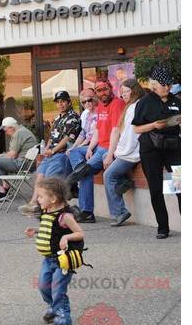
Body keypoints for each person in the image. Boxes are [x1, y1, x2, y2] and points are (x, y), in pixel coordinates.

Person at [24, 177, 84, 325]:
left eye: (40, 196)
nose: (38, 199)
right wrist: (36, 230)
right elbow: (50, 230)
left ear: (53, 199)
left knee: (58, 289)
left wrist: (66, 237)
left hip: (62, 260)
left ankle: (64, 317)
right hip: (48, 259)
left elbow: (79, 233)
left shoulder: (65, 216)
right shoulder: (47, 211)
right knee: (44, 287)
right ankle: (53, 307)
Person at [66, 80, 126, 223]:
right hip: (99, 147)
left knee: (84, 172)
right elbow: (97, 131)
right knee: (74, 154)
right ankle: (75, 185)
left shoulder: (117, 104)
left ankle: (84, 207)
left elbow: (116, 130)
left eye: (105, 89)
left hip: (109, 148)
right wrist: (91, 148)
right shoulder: (100, 108)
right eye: (99, 90)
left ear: (111, 88)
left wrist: (110, 154)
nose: (102, 93)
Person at [131, 66, 181, 239]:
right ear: (154, 85)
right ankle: (163, 227)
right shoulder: (145, 103)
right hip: (151, 149)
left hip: (173, 147)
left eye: (169, 84)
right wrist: (153, 125)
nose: (167, 87)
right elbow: (136, 129)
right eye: (163, 84)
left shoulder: (177, 100)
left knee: (181, 185)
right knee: (156, 187)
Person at [19, 90, 80, 215]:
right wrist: (47, 149)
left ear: (69, 102)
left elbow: (68, 138)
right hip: (51, 154)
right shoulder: (58, 118)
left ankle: (50, 208)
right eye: (58, 102)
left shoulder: (73, 117)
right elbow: (52, 137)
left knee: (49, 182)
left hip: (62, 154)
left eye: (63, 101)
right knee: (40, 177)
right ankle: (34, 203)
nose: (60, 104)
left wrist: (53, 150)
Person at [103, 79, 145, 227]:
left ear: (134, 90)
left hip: (131, 153)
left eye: (125, 92)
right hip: (127, 150)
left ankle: (120, 212)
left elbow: (131, 135)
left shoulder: (135, 107)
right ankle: (124, 180)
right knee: (104, 157)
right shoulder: (131, 106)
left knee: (108, 175)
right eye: (121, 93)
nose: (123, 95)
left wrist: (117, 153)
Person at [0, 117, 38, 203]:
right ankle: (5, 189)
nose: (6, 133)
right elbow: (13, 154)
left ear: (11, 128)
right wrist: (1, 156)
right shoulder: (22, 131)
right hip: (27, 163)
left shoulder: (19, 133)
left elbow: (13, 154)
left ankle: (2, 191)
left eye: (5, 130)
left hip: (23, 163)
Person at [65, 88, 98, 157]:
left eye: (89, 100)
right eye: (84, 102)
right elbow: (83, 133)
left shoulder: (100, 112)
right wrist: (73, 147)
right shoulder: (86, 114)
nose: (87, 103)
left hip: (96, 144)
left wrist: (81, 145)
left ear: (94, 99)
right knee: (68, 152)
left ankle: (82, 167)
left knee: (73, 153)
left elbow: (94, 134)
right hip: (87, 144)